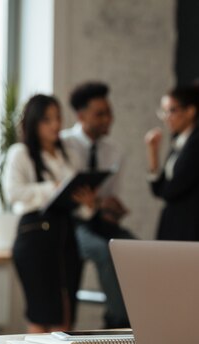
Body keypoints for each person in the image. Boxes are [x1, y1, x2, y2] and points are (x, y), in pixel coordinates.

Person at [4, 94, 96, 333]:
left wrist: (87, 203)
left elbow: (76, 205)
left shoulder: (68, 155)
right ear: (33, 123)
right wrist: (52, 189)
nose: (55, 125)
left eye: (58, 118)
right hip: (35, 237)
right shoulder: (20, 153)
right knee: (41, 313)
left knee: (66, 315)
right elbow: (13, 193)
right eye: (47, 120)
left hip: (65, 235)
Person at [61, 81, 133, 329]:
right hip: (72, 222)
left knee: (135, 247)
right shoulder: (64, 144)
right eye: (100, 114)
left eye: (109, 112)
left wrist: (113, 207)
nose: (108, 119)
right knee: (104, 251)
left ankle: (138, 317)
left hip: (100, 218)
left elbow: (110, 195)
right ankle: (118, 322)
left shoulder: (114, 150)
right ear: (81, 116)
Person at [144, 80, 199, 241]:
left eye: (171, 111)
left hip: (191, 229)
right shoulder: (180, 142)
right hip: (175, 224)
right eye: (163, 112)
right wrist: (153, 152)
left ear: (190, 111)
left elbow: (170, 190)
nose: (166, 118)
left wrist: (164, 188)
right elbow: (158, 189)